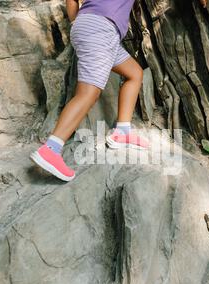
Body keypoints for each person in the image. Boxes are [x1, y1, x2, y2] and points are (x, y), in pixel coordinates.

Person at [30, 0, 149, 182]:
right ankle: (50, 150)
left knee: (134, 73)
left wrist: (78, 22)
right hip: (101, 28)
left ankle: (122, 132)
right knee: (88, 93)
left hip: (93, 26)